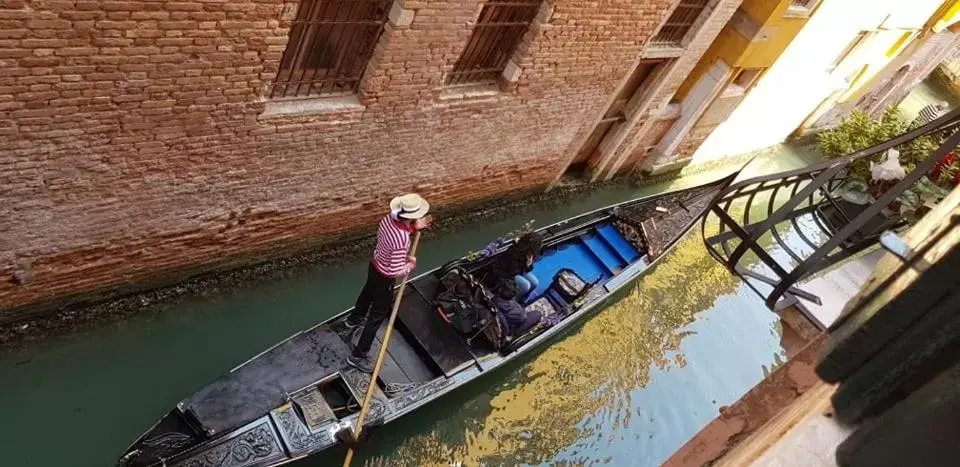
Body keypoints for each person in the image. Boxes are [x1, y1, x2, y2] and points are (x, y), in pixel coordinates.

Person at [345, 193, 432, 372]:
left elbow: (396, 235)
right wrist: (411, 264)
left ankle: (353, 320)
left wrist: (415, 227)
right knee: (377, 316)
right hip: (385, 277)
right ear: (411, 217)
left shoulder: (387, 219)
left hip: (375, 264)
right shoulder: (402, 240)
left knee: (368, 291)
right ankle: (358, 355)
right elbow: (395, 270)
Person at [491, 231, 544, 299]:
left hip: (519, 270)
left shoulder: (530, 254)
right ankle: (512, 300)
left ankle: (522, 301)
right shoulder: (515, 251)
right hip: (504, 271)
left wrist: (528, 264)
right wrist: (525, 266)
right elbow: (513, 272)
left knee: (535, 283)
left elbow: (528, 269)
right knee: (525, 285)